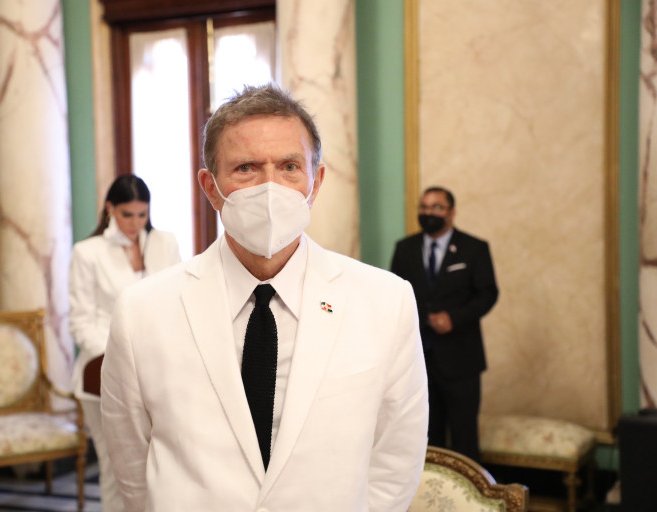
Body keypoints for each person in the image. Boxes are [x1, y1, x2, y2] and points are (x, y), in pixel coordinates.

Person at [100, 83, 429, 511]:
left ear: (315, 181)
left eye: (290, 166)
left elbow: (396, 457)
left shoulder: (385, 301)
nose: (270, 188)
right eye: (246, 168)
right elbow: (131, 463)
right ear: (211, 187)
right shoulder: (142, 311)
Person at [69, 175, 180, 512]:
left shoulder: (165, 243)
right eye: (127, 214)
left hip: (159, 371)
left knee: (163, 466)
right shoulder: (87, 253)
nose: (135, 223)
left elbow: (177, 302)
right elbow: (81, 322)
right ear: (110, 209)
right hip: (102, 372)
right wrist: (120, 358)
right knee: (116, 468)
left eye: (142, 214)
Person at [390, 186, 498, 462]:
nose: (429, 213)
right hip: (419, 359)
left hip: (461, 359)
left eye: (437, 207)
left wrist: (454, 318)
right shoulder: (405, 248)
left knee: (464, 438)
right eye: (424, 207)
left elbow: (488, 294)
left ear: (451, 212)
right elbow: (396, 294)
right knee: (427, 437)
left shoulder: (474, 248)